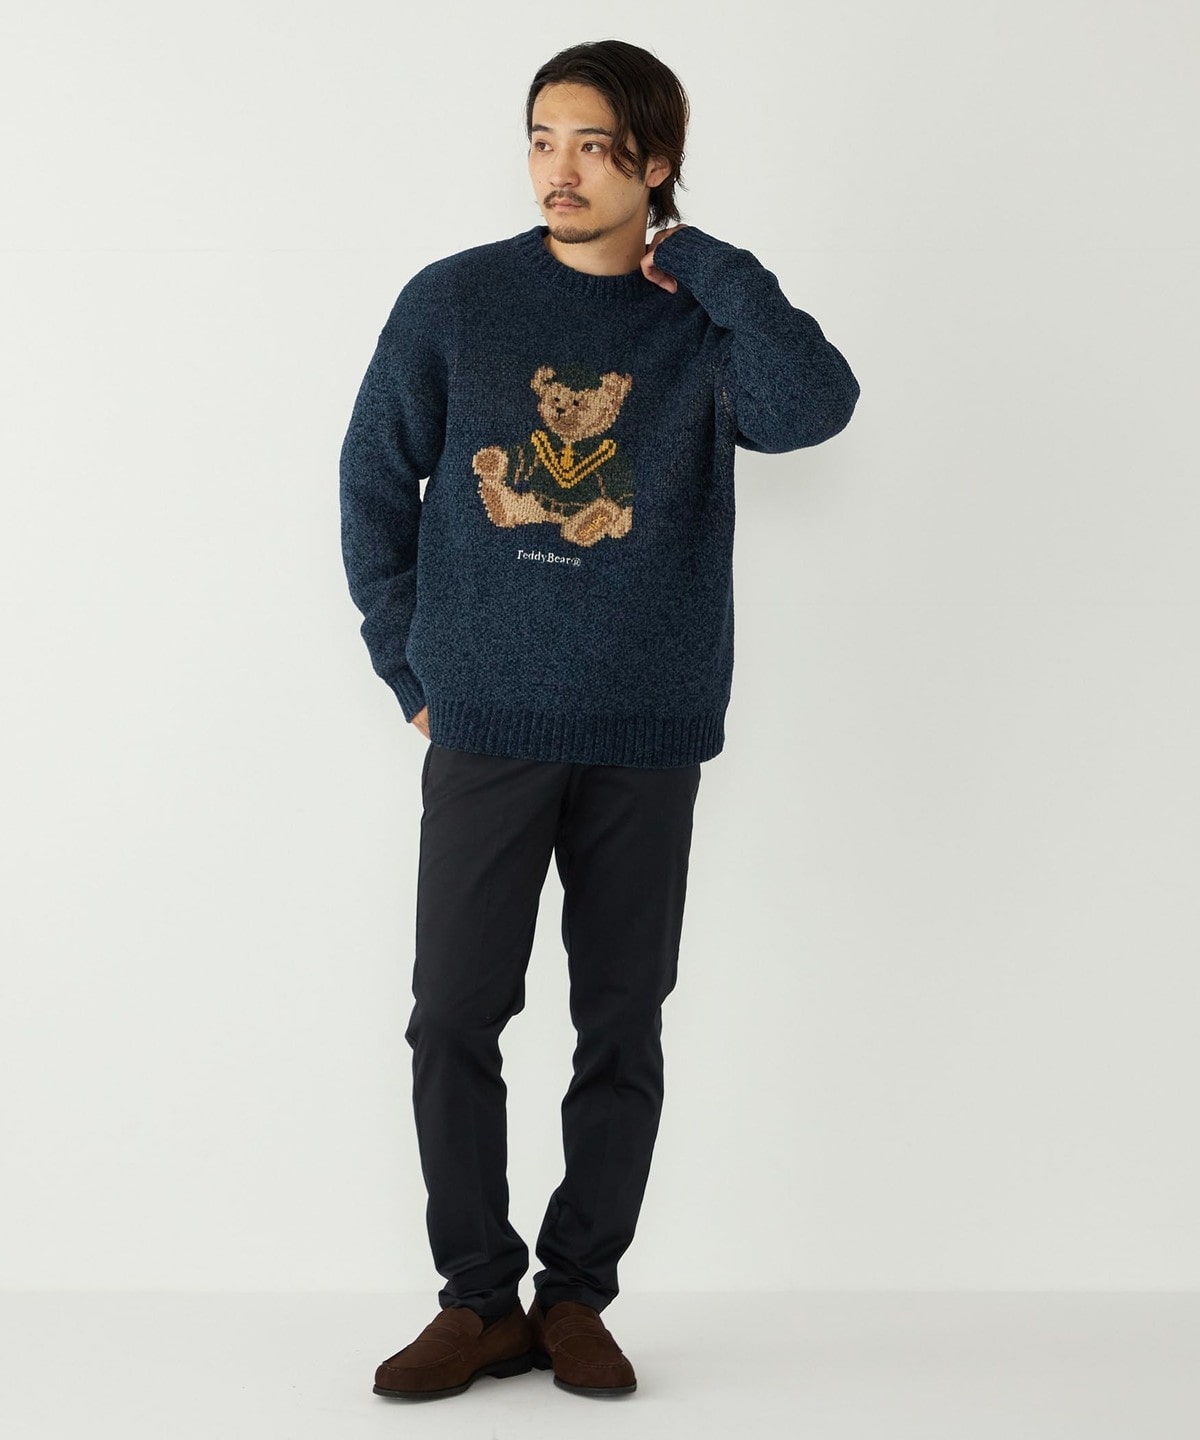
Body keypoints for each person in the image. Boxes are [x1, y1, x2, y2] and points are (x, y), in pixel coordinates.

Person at [339, 38, 860, 1402]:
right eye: (540, 138)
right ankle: (475, 1302)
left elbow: (815, 409)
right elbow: (374, 479)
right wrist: (409, 664)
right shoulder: (457, 300)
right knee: (454, 1014)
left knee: (621, 1025)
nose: (557, 171)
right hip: (487, 719)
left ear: (655, 163)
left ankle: (575, 1298)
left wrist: (715, 268)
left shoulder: (702, 319)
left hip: (647, 723)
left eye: (591, 145)